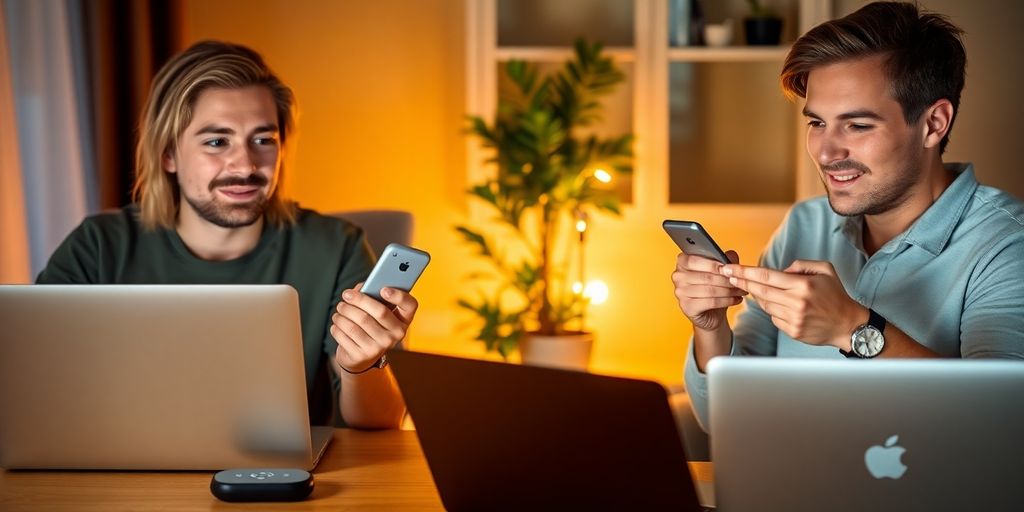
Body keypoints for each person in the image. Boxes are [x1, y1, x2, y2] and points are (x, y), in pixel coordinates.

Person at [672, 2, 1024, 430]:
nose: (826, 152)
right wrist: (711, 327)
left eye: (856, 126)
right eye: (817, 123)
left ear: (934, 124)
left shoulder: (1007, 245)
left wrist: (854, 329)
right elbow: (722, 420)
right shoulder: (805, 225)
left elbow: (1001, 426)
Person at [36, 41, 415, 429]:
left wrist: (362, 365)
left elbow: (381, 423)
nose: (246, 164)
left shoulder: (336, 247)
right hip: (120, 478)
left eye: (263, 140)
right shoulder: (98, 247)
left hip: (285, 483)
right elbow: (33, 386)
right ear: (168, 154)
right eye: (217, 142)